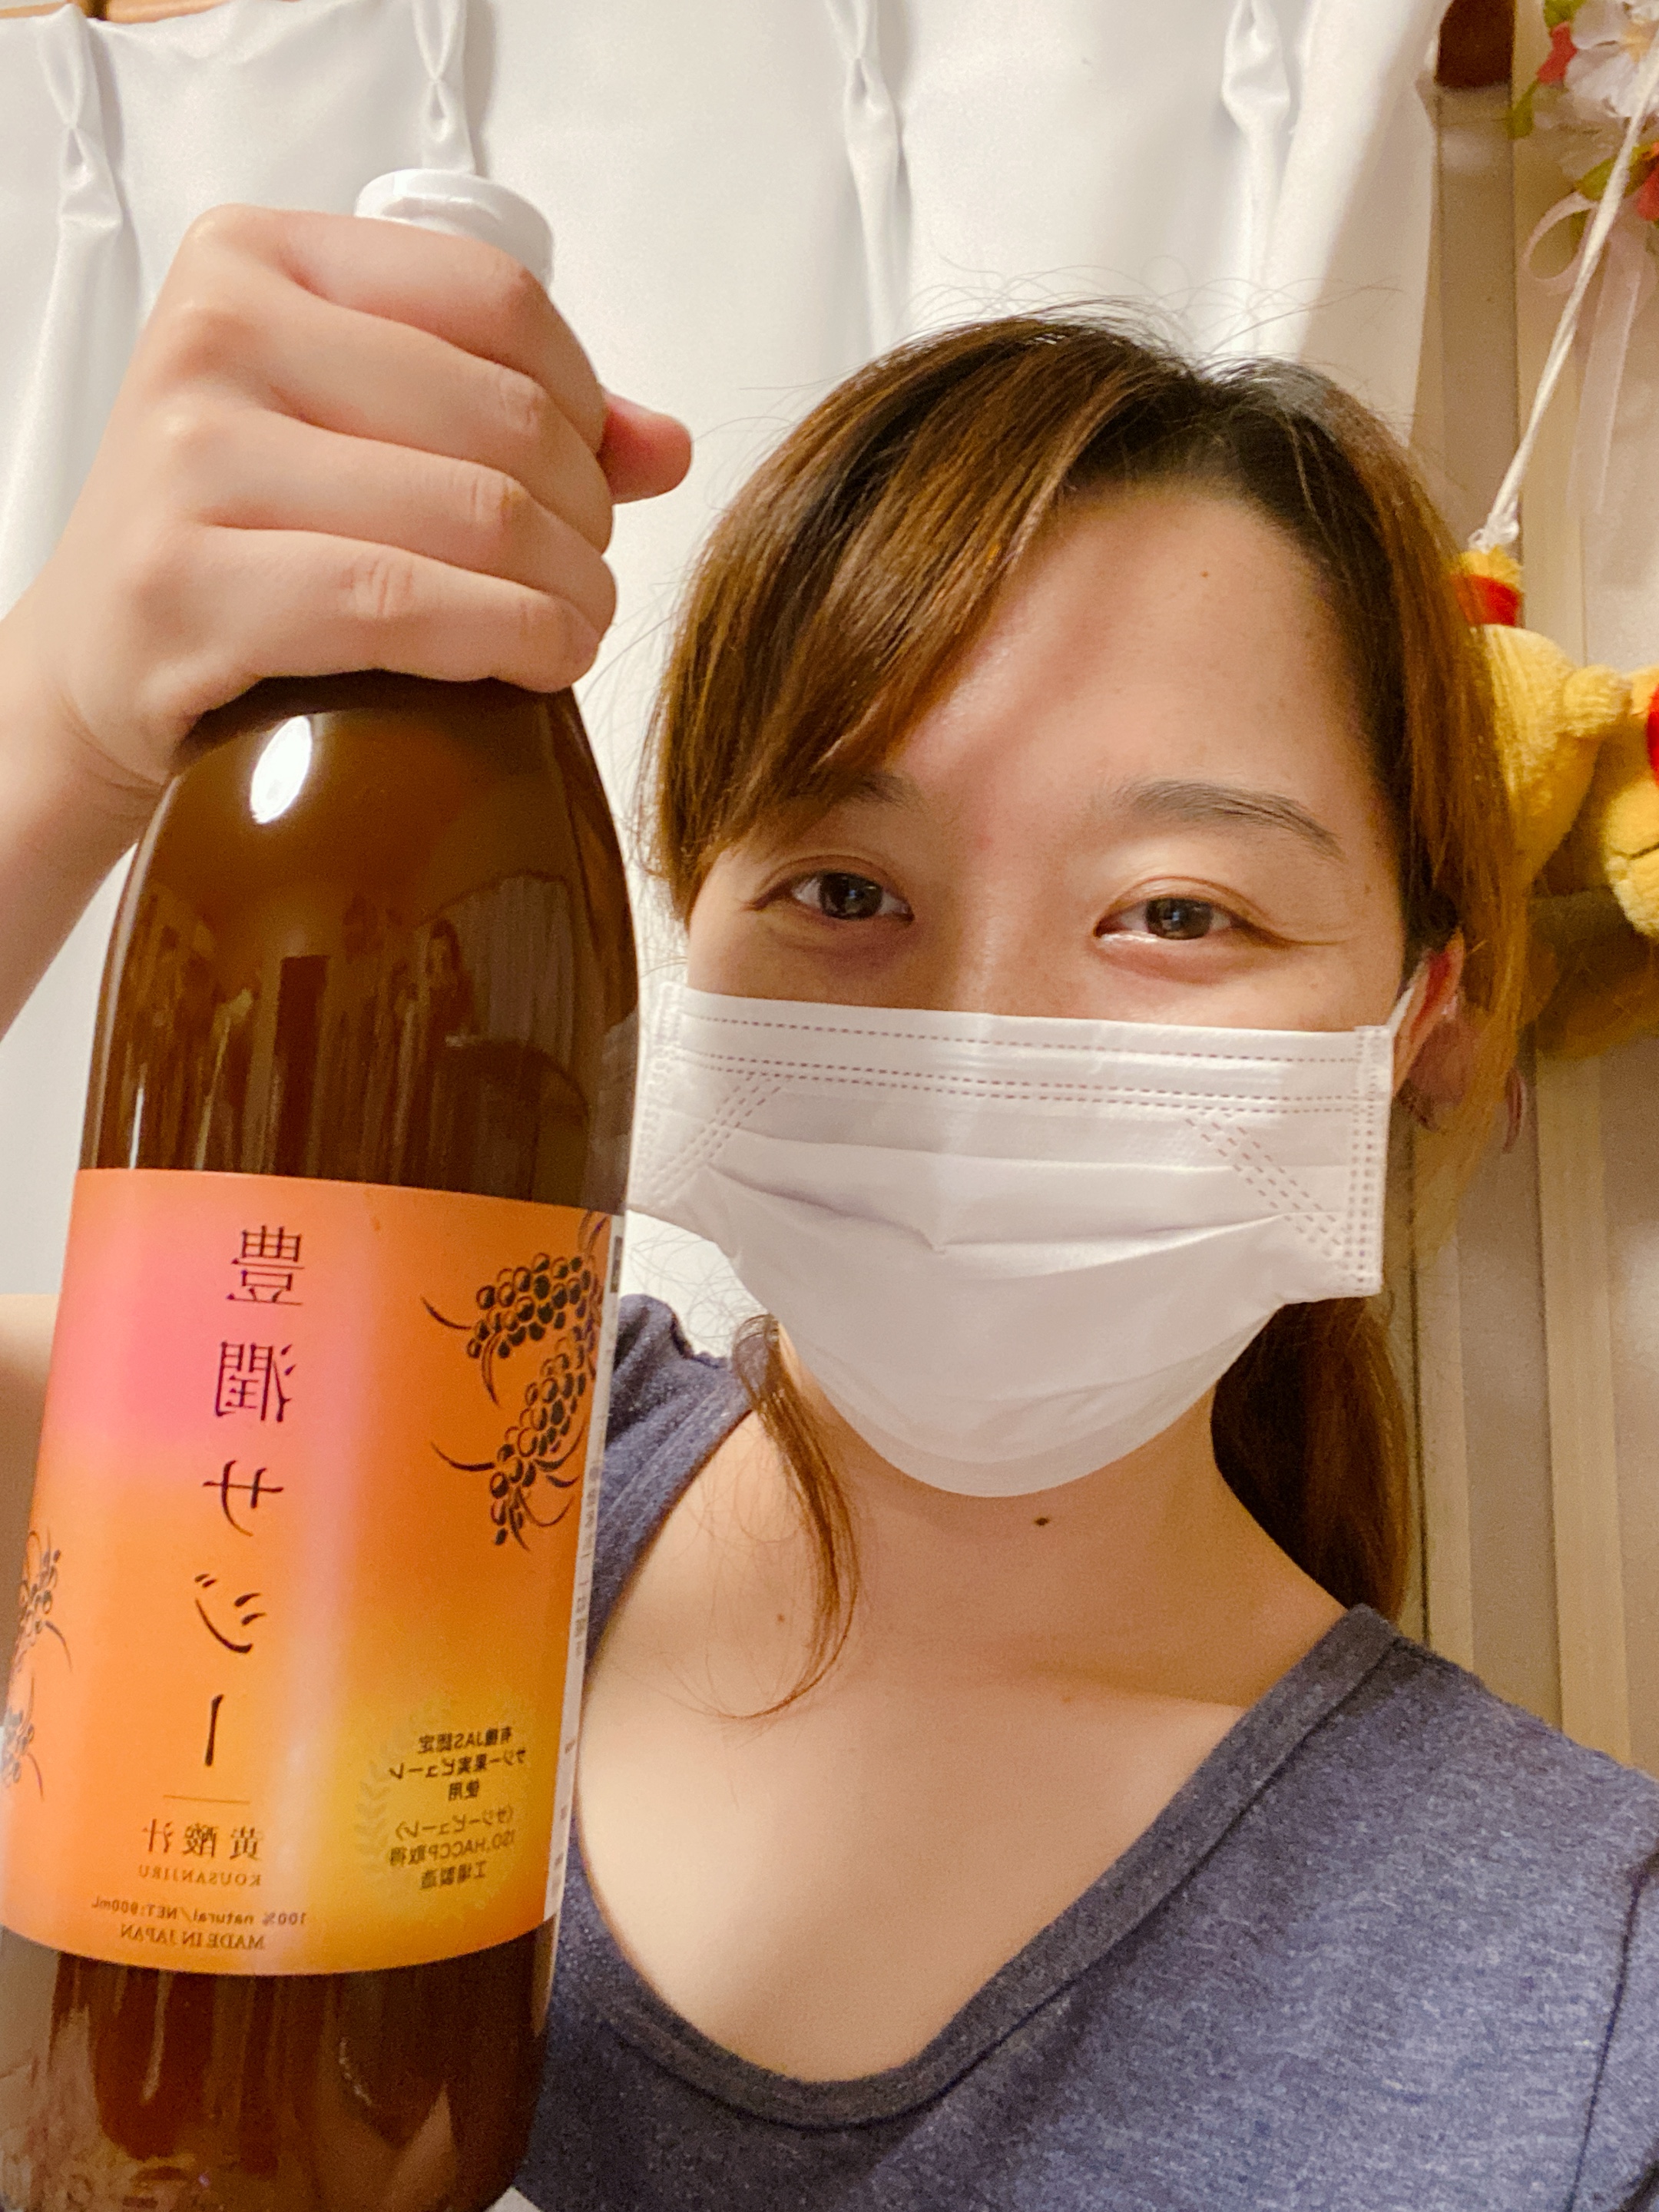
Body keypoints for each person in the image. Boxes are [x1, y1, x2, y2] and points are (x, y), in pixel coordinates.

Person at [0, 207, 1655, 2210]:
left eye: (1179, 913)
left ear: (1421, 1017)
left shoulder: (1585, 2012)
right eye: (848, 891)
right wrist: (54, 729)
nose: (974, 1044)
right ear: (685, 926)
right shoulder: (419, 1441)